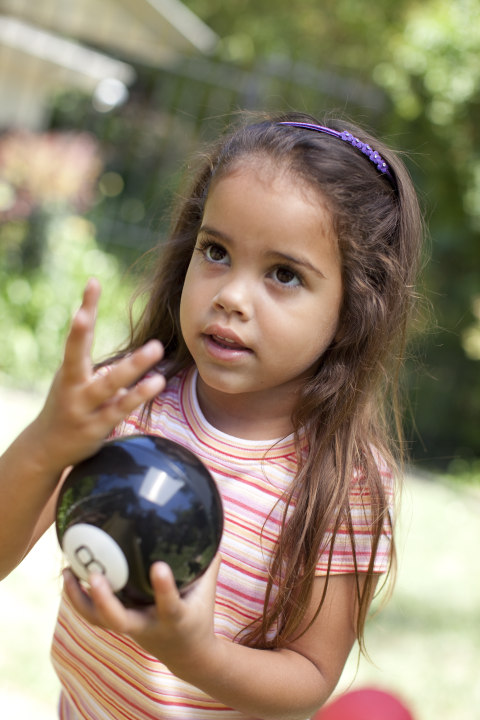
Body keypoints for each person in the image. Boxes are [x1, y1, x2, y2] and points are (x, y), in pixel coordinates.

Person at [0, 111, 424, 720]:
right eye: (216, 251)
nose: (230, 295)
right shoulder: (129, 404)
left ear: (354, 307)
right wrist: (45, 445)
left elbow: (308, 678)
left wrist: (196, 654)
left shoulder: (343, 483)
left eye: (283, 274)